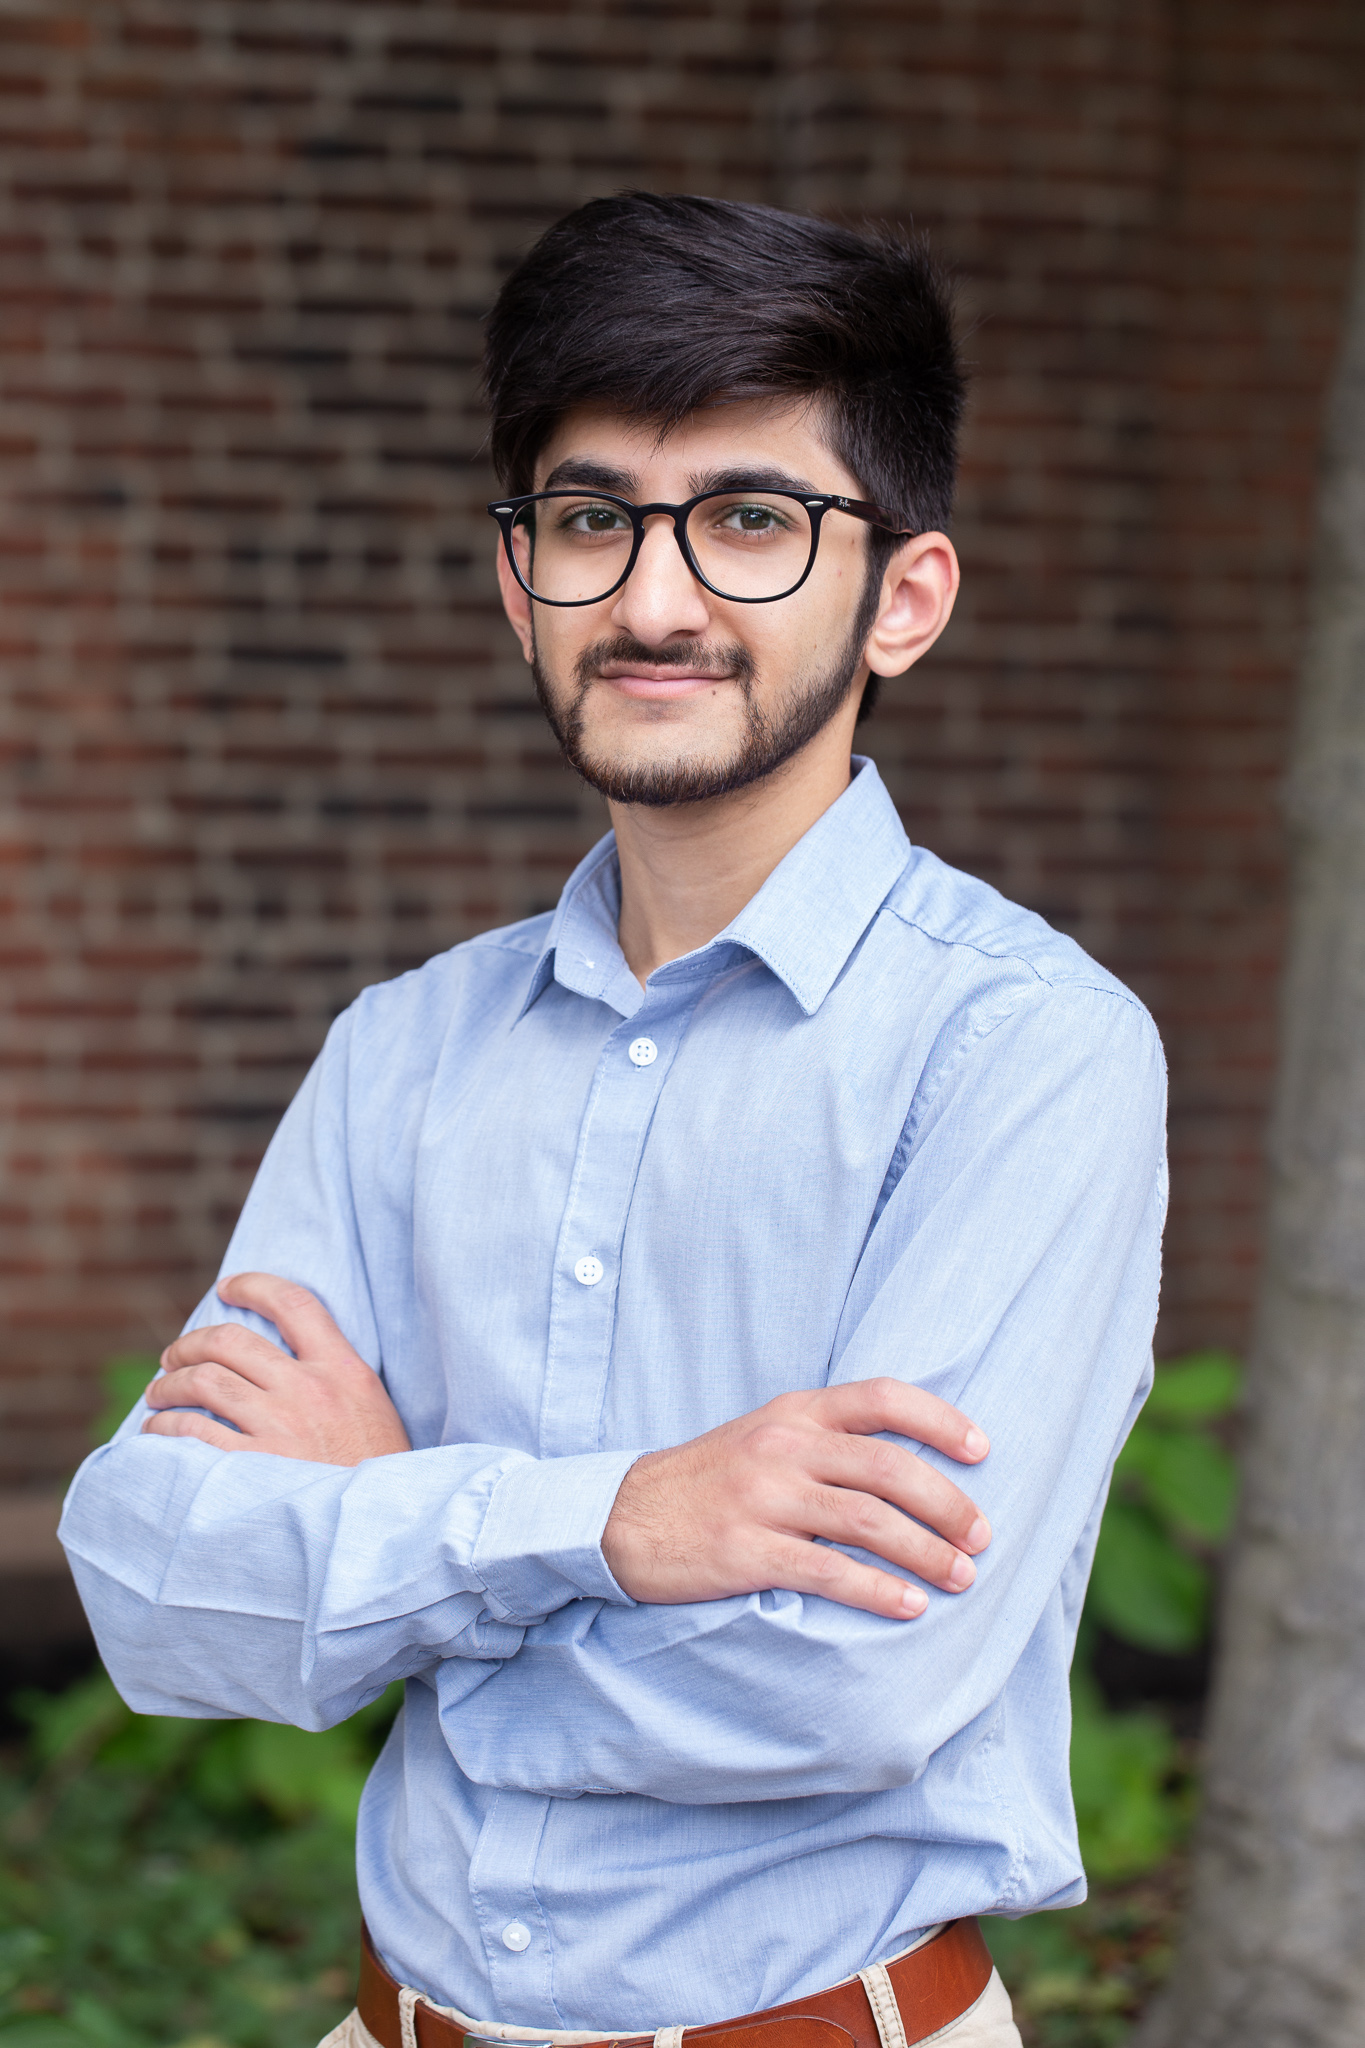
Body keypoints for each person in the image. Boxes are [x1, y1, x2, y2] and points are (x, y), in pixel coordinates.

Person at [60, 194, 1167, 2048]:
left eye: (749, 519)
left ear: (902, 595)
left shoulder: (1025, 1052)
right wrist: (630, 1522)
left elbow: (854, 1693)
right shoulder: (404, 1048)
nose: (654, 601)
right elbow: (161, 1590)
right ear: (520, 583)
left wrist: (394, 1538)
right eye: (590, 523)